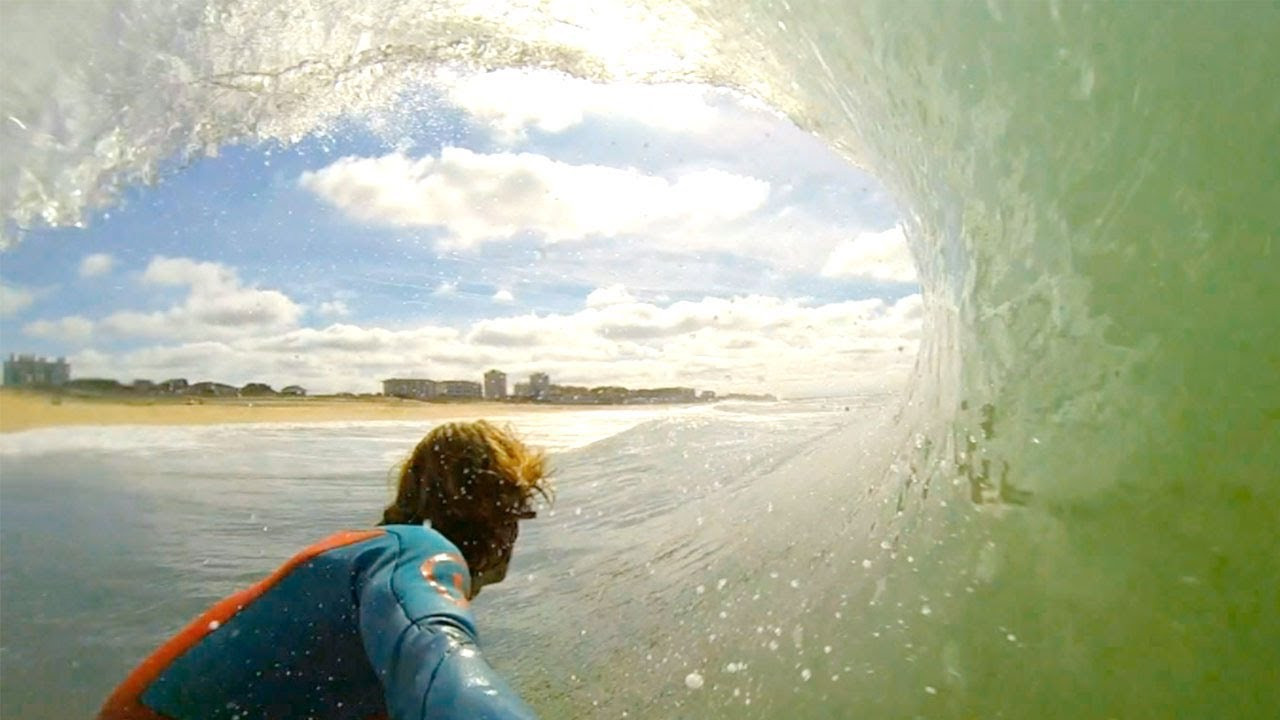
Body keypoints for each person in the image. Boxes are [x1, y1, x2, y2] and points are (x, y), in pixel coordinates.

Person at [98, 420, 551, 720]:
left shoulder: (376, 558)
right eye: (514, 510)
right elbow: (435, 662)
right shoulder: (413, 554)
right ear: (496, 512)